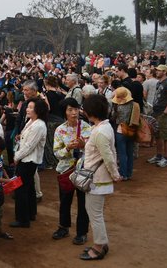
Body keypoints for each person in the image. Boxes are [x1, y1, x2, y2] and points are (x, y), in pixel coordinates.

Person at [79, 94, 121, 260]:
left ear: (91, 112)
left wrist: (115, 175)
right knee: (95, 212)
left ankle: (99, 246)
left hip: (98, 179)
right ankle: (100, 244)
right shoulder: (103, 127)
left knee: (94, 214)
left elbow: (109, 157)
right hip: (98, 177)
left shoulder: (100, 131)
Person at [52, 98, 91, 245]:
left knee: (83, 203)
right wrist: (68, 148)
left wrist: (83, 145)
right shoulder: (60, 130)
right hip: (66, 170)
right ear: (64, 112)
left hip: (83, 171)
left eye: (75, 109)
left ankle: (82, 233)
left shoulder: (87, 128)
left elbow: (93, 150)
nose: (74, 113)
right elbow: (57, 153)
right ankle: (63, 227)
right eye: (70, 110)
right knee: (64, 201)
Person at [11, 98, 48, 228]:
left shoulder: (38, 125)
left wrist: (16, 157)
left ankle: (23, 219)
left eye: (31, 107)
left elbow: (29, 146)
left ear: (38, 110)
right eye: (28, 107)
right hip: (27, 159)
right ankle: (30, 213)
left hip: (28, 160)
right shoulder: (31, 122)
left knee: (21, 189)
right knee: (29, 187)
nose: (27, 109)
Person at [110, 87, 140, 180]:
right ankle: (129, 173)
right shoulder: (134, 105)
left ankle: (123, 174)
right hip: (132, 130)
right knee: (129, 152)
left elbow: (113, 118)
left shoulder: (117, 106)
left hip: (120, 130)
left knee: (122, 153)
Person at [147, 64, 167, 167]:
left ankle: (166, 158)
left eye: (159, 70)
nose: (156, 72)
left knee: (166, 136)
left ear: (164, 72)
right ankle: (159, 155)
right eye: (156, 70)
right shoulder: (158, 83)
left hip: (163, 113)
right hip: (156, 111)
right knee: (157, 135)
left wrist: (165, 113)